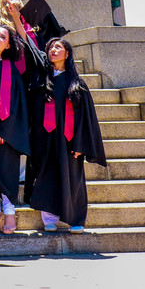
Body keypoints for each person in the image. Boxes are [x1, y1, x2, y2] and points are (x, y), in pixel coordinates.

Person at [0, 18, 45, 234]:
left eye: (2, 37)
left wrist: (6, 129)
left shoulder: (12, 70)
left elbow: (18, 104)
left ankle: (10, 212)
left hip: (4, 131)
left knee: (5, 171)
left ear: (8, 45)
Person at [26, 37, 107, 232]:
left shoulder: (77, 83)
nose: (53, 50)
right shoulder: (41, 80)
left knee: (72, 178)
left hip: (69, 140)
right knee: (45, 176)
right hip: (44, 137)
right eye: (50, 48)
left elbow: (86, 118)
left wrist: (81, 144)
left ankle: (76, 220)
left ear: (67, 53)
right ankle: (49, 219)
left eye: (58, 47)